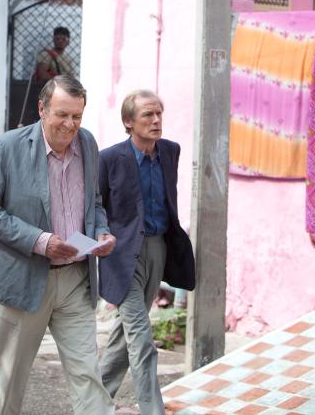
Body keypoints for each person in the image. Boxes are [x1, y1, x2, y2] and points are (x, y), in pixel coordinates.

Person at [0, 75, 116, 415]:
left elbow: (93, 202)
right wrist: (40, 241)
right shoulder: (8, 147)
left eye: (76, 116)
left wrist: (101, 232)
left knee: (88, 375)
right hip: (24, 280)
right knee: (10, 383)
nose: (70, 125)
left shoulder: (89, 145)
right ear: (41, 109)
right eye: (62, 115)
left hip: (76, 279)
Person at [98, 90, 196, 415]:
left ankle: (94, 402)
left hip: (158, 249)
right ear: (128, 122)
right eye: (147, 116)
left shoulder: (170, 151)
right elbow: (96, 205)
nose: (156, 121)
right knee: (140, 338)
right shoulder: (109, 159)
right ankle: (153, 409)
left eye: (159, 114)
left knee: (122, 338)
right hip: (122, 255)